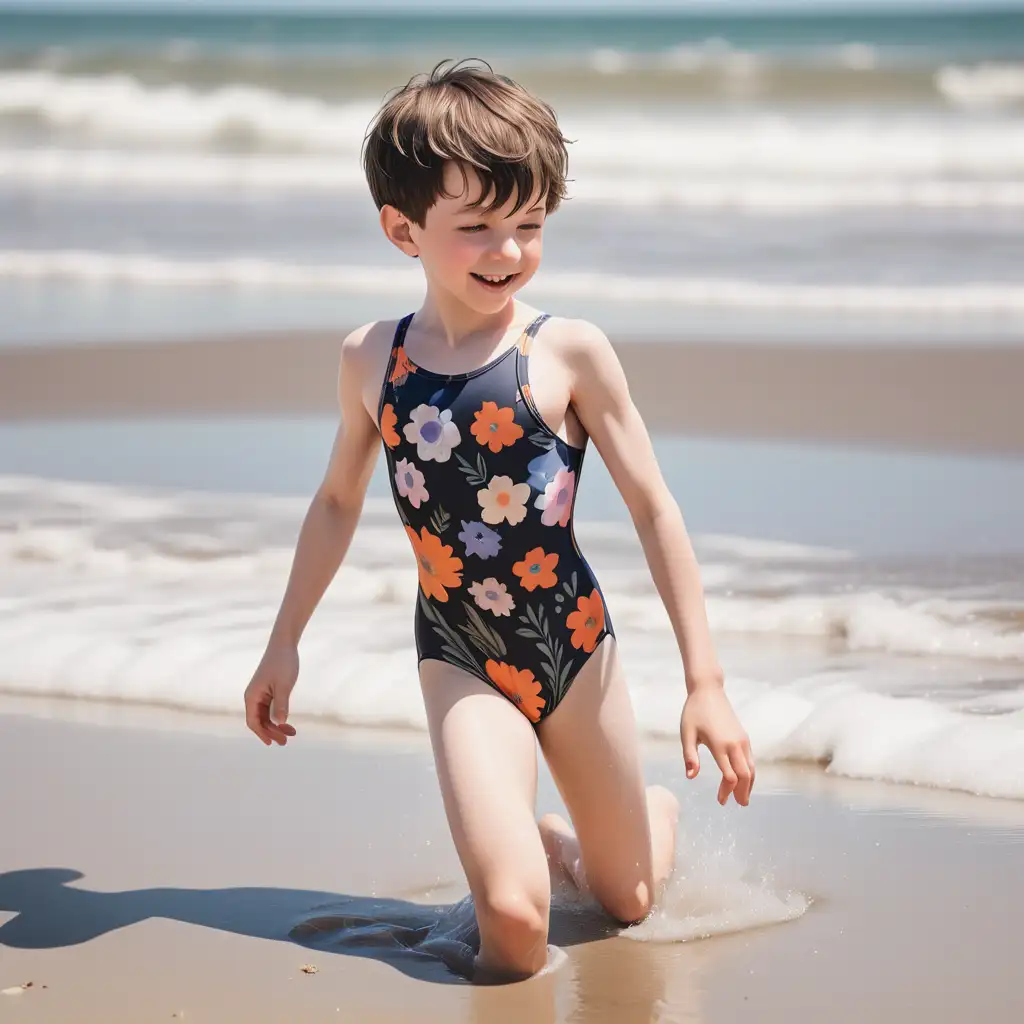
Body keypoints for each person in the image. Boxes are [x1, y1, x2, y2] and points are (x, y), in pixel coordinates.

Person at [243, 58, 754, 983]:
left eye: (527, 225)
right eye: (475, 227)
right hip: (458, 648)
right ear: (403, 229)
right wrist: (285, 643)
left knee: (626, 902)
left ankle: (644, 820)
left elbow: (653, 506)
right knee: (515, 927)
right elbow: (335, 503)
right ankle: (528, 858)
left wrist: (704, 681)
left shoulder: (566, 352)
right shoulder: (373, 360)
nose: (507, 250)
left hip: (571, 643)